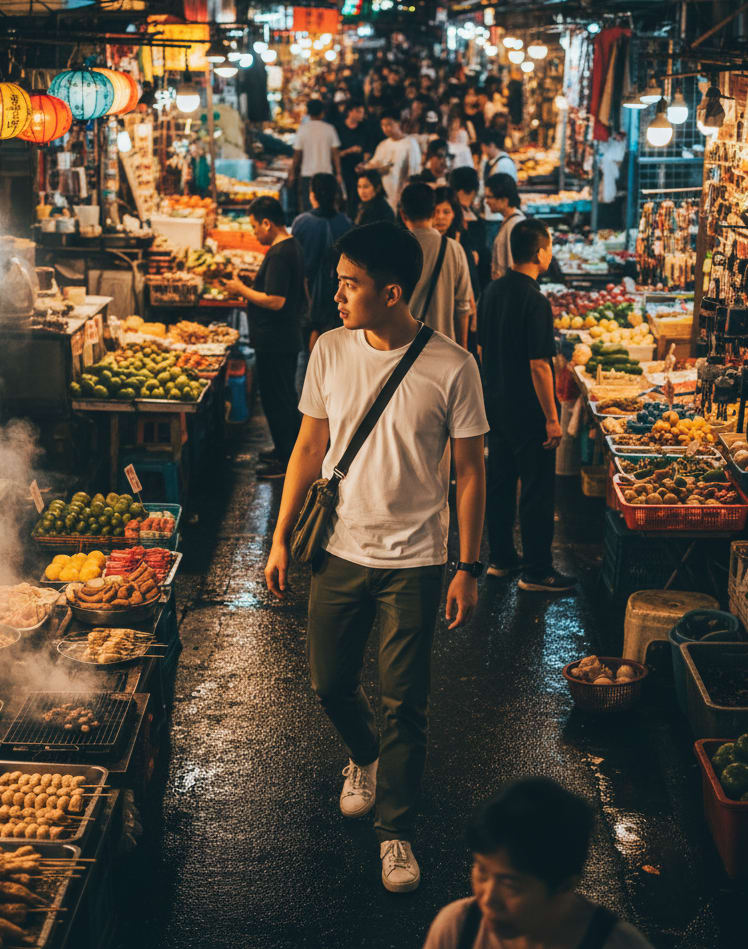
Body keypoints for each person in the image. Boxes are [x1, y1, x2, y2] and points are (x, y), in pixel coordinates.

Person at [264, 222, 488, 894]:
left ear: (391, 292)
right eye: (338, 282)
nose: (335, 295)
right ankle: (364, 756)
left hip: (415, 560)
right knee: (329, 683)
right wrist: (279, 536)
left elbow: (470, 472)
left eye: (349, 284)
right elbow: (309, 448)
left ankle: (396, 831)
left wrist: (467, 567)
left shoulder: (453, 365)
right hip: (337, 549)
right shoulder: (330, 350)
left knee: (405, 702)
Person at [423, 778, 654, 949]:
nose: (488, 899)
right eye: (482, 872)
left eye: (511, 885)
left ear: (565, 886)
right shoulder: (457, 928)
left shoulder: (620, 944)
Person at [477, 219, 575, 591]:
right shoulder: (536, 300)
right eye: (549, 248)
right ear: (539, 253)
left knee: (500, 484)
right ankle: (537, 570)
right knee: (536, 489)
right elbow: (539, 365)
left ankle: (501, 559)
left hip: (496, 404)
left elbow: (481, 349)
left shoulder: (492, 290)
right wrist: (552, 418)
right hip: (529, 410)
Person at [222, 196, 304, 480]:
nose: (254, 233)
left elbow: (275, 300)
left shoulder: (280, 253)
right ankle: (284, 451)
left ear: (267, 223)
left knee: (278, 401)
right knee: (281, 398)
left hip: (276, 341)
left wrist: (241, 289)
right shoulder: (289, 246)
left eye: (255, 227)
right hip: (281, 338)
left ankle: (286, 462)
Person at [399, 182, 472, 347]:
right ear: (433, 213)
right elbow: (463, 306)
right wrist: (463, 348)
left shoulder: (393, 247)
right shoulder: (453, 248)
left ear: (403, 214)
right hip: (443, 345)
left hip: (402, 345)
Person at [291, 172, 353, 362]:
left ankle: (305, 381)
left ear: (312, 195)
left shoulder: (301, 223)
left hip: (305, 296)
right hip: (338, 298)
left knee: (304, 355)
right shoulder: (346, 224)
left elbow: (295, 263)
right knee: (334, 353)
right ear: (336, 195)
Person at [289, 99, 343, 212]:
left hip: (307, 175)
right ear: (322, 112)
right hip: (326, 173)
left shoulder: (303, 129)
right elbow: (335, 153)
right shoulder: (329, 129)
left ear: (308, 113)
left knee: (308, 207)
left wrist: (293, 172)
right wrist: (338, 173)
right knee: (327, 206)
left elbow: (297, 154)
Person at [367, 110, 423, 210]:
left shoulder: (410, 144)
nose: (385, 128)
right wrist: (366, 167)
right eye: (383, 125)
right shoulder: (383, 145)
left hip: (402, 194)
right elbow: (374, 164)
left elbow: (414, 172)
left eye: (389, 124)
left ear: (398, 123)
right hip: (385, 195)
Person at [486, 173, 526, 280]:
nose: (486, 201)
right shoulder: (509, 221)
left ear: (504, 200)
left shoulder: (515, 225)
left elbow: (514, 265)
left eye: (489, 197)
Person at [337, 102, 370, 218]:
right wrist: (349, 151)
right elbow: (335, 153)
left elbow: (368, 150)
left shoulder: (364, 127)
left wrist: (364, 163)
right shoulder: (339, 128)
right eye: (359, 112)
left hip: (360, 169)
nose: (362, 115)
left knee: (358, 199)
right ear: (350, 112)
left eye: (362, 112)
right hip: (344, 169)